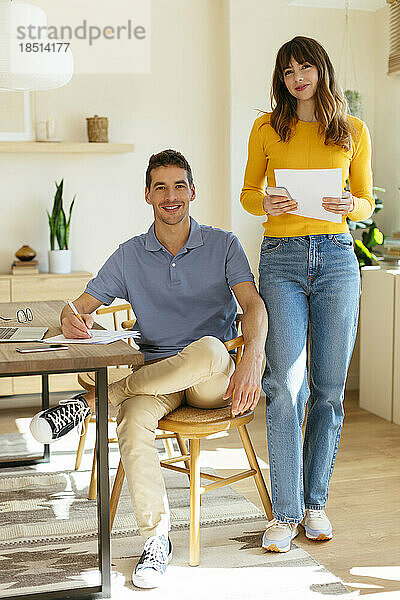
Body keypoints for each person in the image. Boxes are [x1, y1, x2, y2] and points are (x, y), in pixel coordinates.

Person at [30, 149, 267, 588]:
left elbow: (252, 304)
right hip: (158, 376)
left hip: (214, 380)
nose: (170, 196)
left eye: (179, 186)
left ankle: (93, 401)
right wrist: (70, 316)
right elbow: (79, 306)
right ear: (147, 195)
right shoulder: (129, 255)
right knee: (133, 417)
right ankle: (156, 539)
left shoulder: (223, 244)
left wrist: (252, 357)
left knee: (212, 349)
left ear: (192, 192)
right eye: (160, 187)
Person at [240, 36, 373, 553]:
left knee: (328, 390)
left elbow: (364, 201)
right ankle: (286, 512)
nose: (298, 76)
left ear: (322, 71)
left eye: (306, 67)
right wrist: (267, 200)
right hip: (283, 260)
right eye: (289, 69)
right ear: (281, 77)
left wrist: (348, 202)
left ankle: (315, 504)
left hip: (338, 258)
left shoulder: (353, 131)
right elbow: (250, 195)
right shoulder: (267, 128)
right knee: (285, 385)